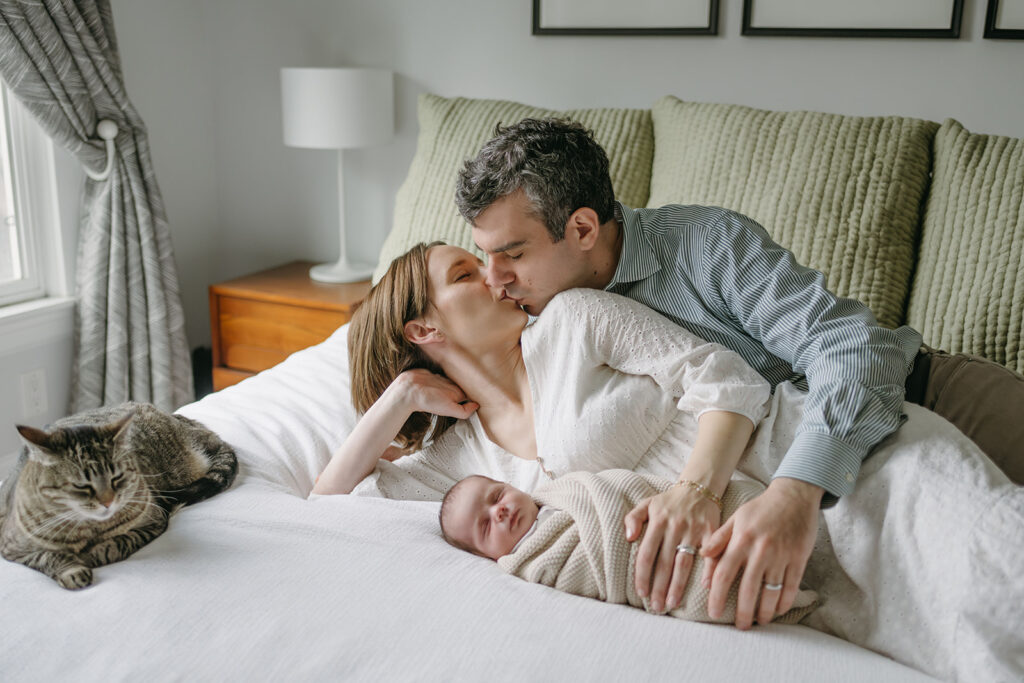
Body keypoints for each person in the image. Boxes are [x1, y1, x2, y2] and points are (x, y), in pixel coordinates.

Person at [313, 243, 1023, 679]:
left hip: (818, 455)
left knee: (1002, 579)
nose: (498, 279)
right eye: (467, 274)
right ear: (423, 327)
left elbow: (731, 379)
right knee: (971, 645)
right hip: (775, 562)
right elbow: (327, 503)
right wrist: (402, 396)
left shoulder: (572, 318)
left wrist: (697, 492)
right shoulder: (468, 453)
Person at [451, 117, 1024, 630]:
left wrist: (792, 495)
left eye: (514, 254)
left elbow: (851, 349)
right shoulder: (539, 321)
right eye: (483, 257)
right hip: (846, 480)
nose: (493, 280)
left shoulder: (705, 245)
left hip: (925, 394)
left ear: (581, 230)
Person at [437, 471, 818, 626]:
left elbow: (622, 488)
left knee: (739, 503)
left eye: (496, 495)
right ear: (488, 557)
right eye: (486, 525)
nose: (499, 511)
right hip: (643, 564)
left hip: (668, 512)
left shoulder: (567, 487)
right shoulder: (532, 563)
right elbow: (586, 572)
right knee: (708, 584)